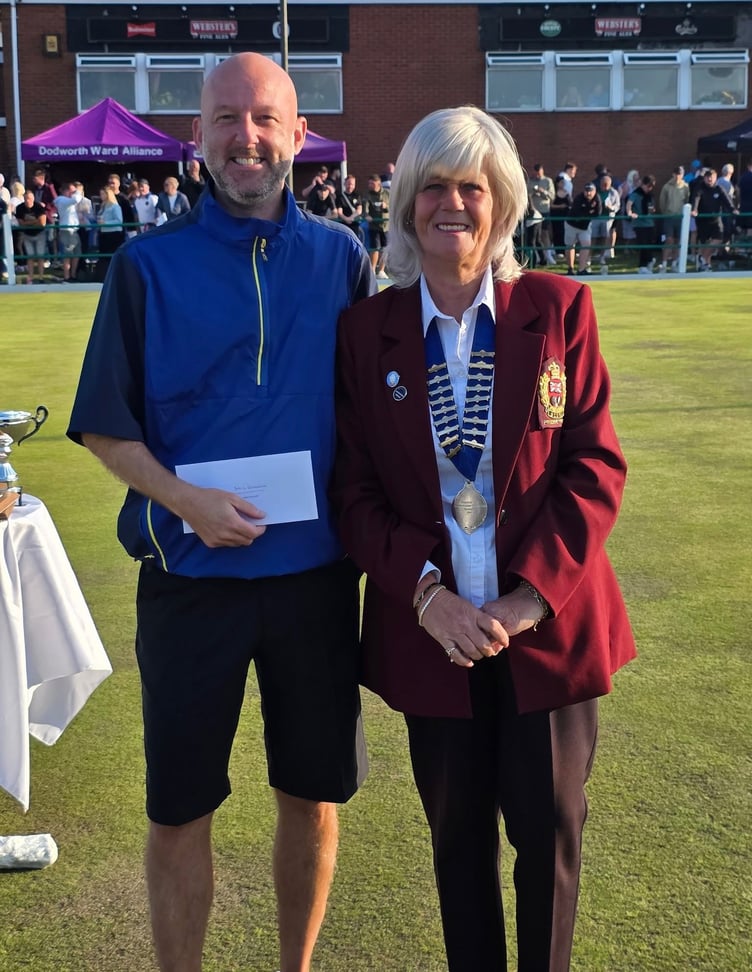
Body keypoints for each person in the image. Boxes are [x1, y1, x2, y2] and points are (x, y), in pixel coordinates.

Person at [67, 51, 373, 972]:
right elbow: (103, 427)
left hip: (316, 584)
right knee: (178, 810)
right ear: (197, 136)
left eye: (266, 119)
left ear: (299, 135)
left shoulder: (341, 260)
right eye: (227, 120)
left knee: (312, 798)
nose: (247, 137)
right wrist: (186, 499)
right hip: (189, 581)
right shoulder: (145, 265)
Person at [332, 104, 635, 972]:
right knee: (457, 848)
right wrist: (428, 600)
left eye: (473, 186)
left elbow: (594, 467)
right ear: (405, 204)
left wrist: (526, 597)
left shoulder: (558, 309)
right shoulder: (368, 332)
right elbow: (353, 496)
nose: (452, 204)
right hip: (436, 643)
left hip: (546, 631)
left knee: (547, 845)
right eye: (434, 186)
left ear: (502, 204)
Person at [690, 168, 738, 270]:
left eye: (712, 177)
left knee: (718, 239)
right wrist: (694, 210)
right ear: (704, 178)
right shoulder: (700, 188)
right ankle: (706, 265)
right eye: (707, 177)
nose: (710, 179)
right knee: (705, 242)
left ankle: (702, 258)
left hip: (716, 220)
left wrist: (733, 209)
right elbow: (696, 199)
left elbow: (727, 200)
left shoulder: (719, 188)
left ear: (716, 178)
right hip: (703, 221)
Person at [564, 181, 601, 275]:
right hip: (572, 225)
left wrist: (588, 213)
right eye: (586, 191)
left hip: (585, 226)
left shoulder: (597, 198)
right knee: (570, 246)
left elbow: (598, 213)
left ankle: (581, 269)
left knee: (586, 245)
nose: (588, 193)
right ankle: (570, 269)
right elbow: (578, 214)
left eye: (591, 191)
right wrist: (589, 211)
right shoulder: (578, 198)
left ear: (595, 191)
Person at [658, 166, 690, 271]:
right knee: (669, 240)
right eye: (676, 173)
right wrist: (666, 213)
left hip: (680, 217)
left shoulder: (685, 187)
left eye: (680, 174)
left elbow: (687, 200)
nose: (678, 176)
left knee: (678, 241)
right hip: (669, 217)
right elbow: (662, 202)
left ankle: (675, 263)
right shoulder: (666, 187)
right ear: (673, 174)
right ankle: (664, 263)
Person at [625, 174, 658, 273]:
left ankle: (649, 262)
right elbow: (629, 204)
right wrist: (630, 213)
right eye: (649, 186)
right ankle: (642, 266)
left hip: (649, 223)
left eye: (652, 186)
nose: (650, 188)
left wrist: (652, 210)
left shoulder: (650, 195)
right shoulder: (636, 193)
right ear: (644, 184)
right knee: (643, 244)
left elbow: (652, 207)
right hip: (639, 224)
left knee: (650, 243)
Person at [14, 188, 47, 283]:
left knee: (40, 256)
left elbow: (42, 223)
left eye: (29, 198)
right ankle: (30, 277)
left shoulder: (39, 207)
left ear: (33, 198)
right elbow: (21, 223)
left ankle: (41, 277)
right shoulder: (20, 208)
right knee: (30, 257)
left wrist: (28, 222)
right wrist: (35, 221)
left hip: (39, 234)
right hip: (27, 234)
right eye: (25, 199)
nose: (27, 201)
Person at [53, 182, 82, 283]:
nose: (73, 193)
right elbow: (76, 199)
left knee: (76, 254)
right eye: (72, 191)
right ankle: (67, 277)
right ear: (66, 191)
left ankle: (73, 275)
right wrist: (77, 191)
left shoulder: (67, 201)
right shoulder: (62, 200)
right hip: (67, 230)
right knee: (68, 255)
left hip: (74, 230)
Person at [94, 186, 124, 282]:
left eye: (103, 194)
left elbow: (119, 221)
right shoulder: (103, 206)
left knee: (112, 256)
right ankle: (104, 276)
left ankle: (115, 276)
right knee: (104, 257)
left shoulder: (115, 206)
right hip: (104, 234)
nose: (101, 196)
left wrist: (105, 223)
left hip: (113, 234)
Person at [363, 172, 390, 277]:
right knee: (375, 248)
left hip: (386, 226)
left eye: (372, 184)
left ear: (378, 184)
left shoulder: (388, 194)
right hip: (374, 226)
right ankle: (373, 270)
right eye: (369, 183)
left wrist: (386, 206)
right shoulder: (367, 195)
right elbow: (365, 210)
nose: (370, 185)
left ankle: (381, 270)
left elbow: (394, 206)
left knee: (386, 249)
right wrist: (367, 216)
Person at [336, 174, 365, 243]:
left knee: (355, 241)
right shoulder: (340, 196)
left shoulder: (357, 195)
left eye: (352, 184)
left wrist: (351, 217)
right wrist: (346, 219)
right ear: (345, 184)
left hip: (355, 223)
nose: (350, 186)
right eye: (349, 184)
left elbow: (359, 210)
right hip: (344, 224)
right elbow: (339, 211)